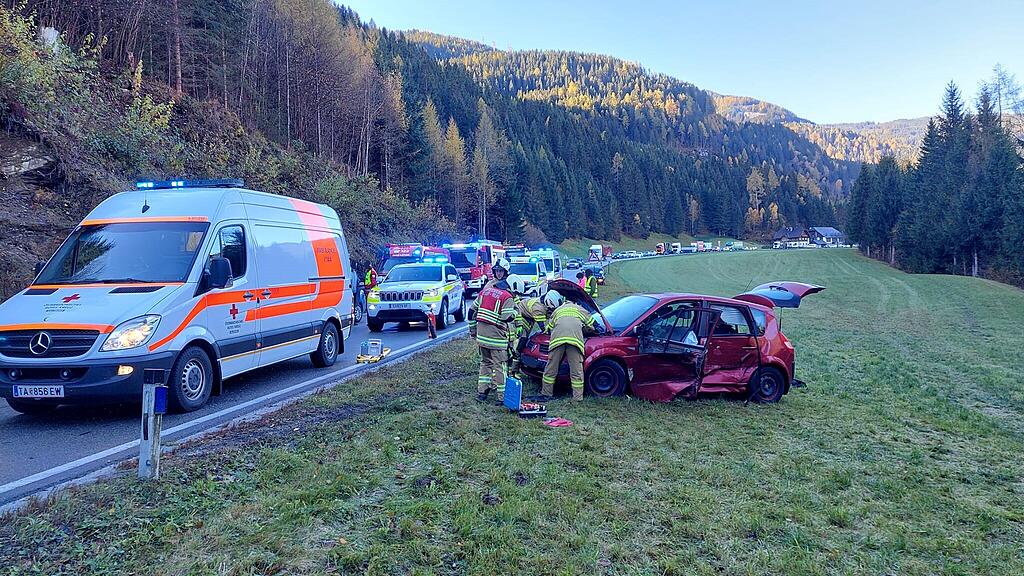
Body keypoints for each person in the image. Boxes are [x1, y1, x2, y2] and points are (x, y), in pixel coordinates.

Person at [468, 259, 516, 403]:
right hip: (497, 337)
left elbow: (472, 311)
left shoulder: (486, 290)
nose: (499, 273)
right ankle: (502, 397)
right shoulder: (505, 293)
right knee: (500, 366)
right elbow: (507, 317)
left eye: (501, 271)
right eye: (497, 271)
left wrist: (473, 331)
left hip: (483, 336)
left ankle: (482, 392)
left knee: (485, 363)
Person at [541, 290, 601, 401]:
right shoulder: (580, 310)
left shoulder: (558, 311)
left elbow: (548, 329)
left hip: (557, 340)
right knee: (576, 370)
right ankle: (577, 397)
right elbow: (594, 325)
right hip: (574, 341)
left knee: (551, 368)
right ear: (576, 303)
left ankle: (546, 393)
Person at [507, 275, 548, 376]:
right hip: (521, 318)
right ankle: (512, 371)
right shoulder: (538, 308)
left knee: (520, 344)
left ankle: (513, 369)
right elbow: (542, 327)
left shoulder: (544, 304)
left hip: (526, 318)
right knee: (520, 344)